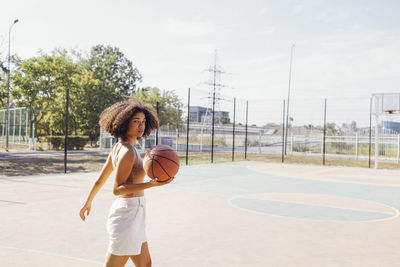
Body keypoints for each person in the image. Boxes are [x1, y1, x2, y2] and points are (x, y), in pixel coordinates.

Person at [80, 99, 173, 267]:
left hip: (134, 212)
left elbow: (99, 180)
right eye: (136, 121)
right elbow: (117, 189)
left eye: (143, 122)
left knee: (145, 264)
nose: (141, 126)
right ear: (123, 123)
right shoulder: (127, 152)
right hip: (127, 214)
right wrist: (150, 184)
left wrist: (88, 202)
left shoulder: (119, 147)